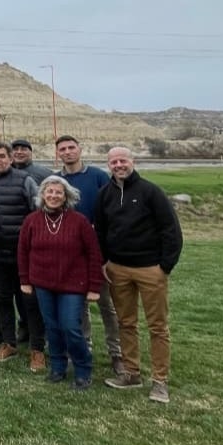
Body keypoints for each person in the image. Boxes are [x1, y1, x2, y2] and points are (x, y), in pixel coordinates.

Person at [96, 147, 183, 404]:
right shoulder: (105, 195)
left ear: (132, 162)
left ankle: (160, 381)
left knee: (157, 326)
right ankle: (131, 373)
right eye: (113, 162)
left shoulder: (150, 192)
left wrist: (164, 266)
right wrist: (104, 261)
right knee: (126, 323)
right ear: (108, 165)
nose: (118, 165)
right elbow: (100, 230)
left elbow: (170, 230)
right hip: (118, 269)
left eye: (123, 160)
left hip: (150, 268)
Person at [18, 176, 102, 392]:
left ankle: (83, 369)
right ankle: (58, 367)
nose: (53, 196)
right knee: (52, 327)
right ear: (42, 195)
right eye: (50, 191)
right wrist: (25, 280)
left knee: (71, 327)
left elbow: (94, 254)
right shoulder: (32, 220)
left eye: (58, 192)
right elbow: (23, 252)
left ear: (66, 196)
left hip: (72, 285)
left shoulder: (79, 221)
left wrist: (94, 287)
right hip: (42, 283)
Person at [56, 134, 124, 376]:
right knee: (79, 307)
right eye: (62, 149)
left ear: (79, 150)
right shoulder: (58, 180)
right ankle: (84, 350)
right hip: (72, 255)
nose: (67, 152)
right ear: (58, 154)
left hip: (99, 252)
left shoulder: (97, 176)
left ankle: (117, 353)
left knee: (107, 305)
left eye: (71, 147)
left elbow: (111, 209)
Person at [0, 142, 45, 369]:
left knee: (29, 302)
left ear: (10, 158)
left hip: (23, 255)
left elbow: (38, 215)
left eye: (2, 156)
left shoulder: (25, 180)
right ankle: (9, 343)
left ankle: (37, 349)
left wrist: (33, 248)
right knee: (2, 299)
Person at [10, 138, 52, 344]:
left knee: (35, 289)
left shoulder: (43, 173)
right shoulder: (5, 172)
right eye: (15, 149)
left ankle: (40, 329)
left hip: (37, 240)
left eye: (23, 149)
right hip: (12, 240)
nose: (19, 152)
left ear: (30, 152)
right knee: (19, 289)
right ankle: (24, 325)